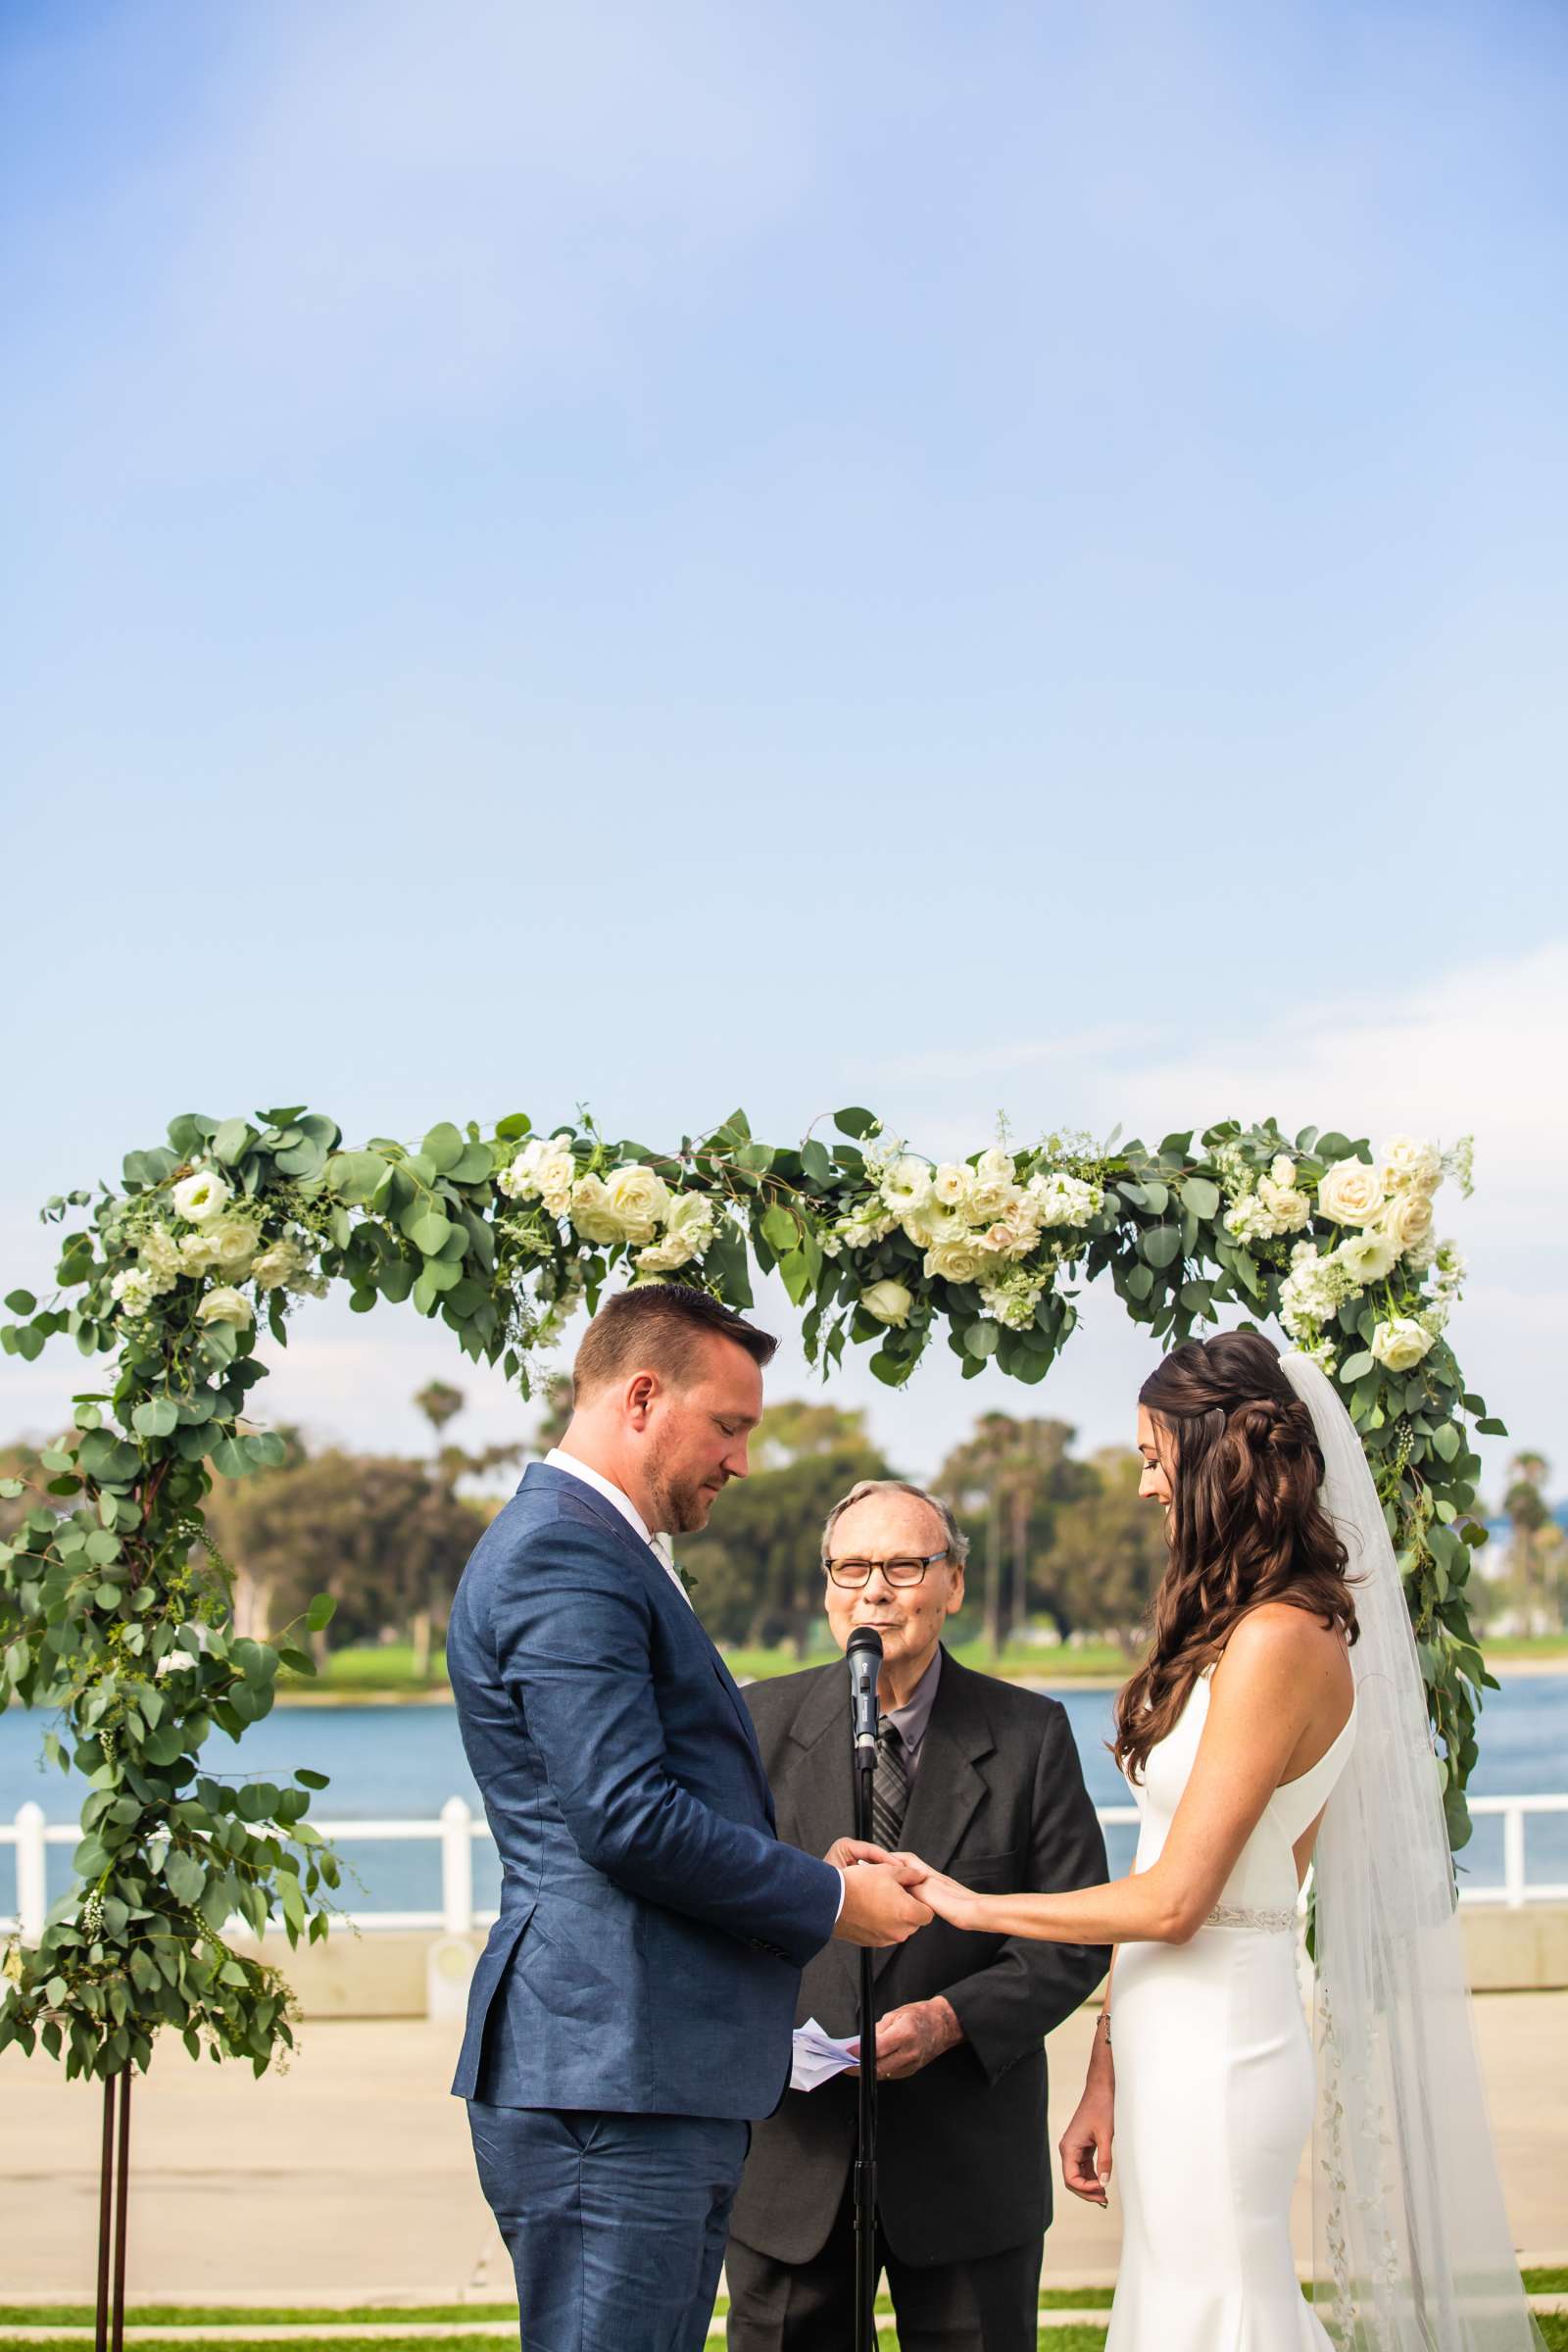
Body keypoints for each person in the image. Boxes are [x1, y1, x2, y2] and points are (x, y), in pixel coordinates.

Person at [906, 1330, 1543, 2351]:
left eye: (1156, 1461)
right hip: (1169, 2031)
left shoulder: (1283, 1641)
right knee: (1176, 2303)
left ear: (1217, 1461)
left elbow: (1175, 1899)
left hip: (1224, 2045)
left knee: (1225, 2309)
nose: (1148, 1488)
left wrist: (968, 1902)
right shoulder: (1233, 1630)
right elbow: (1215, 1872)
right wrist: (1108, 2068)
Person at [445, 1284, 931, 2352]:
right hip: (608, 2075)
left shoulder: (596, 1546)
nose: (741, 1461)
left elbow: (634, 1802)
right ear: (642, 1396)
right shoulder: (562, 1554)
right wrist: (828, 1900)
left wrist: (799, 1863)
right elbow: (622, 1818)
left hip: (643, 2067)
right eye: (729, 1426)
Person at [724, 1478, 1110, 2352]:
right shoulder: (754, 1724)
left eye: (904, 1565)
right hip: (791, 2164)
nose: (875, 1589)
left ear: (954, 1586)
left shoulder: (1030, 1734)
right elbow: (715, 1911)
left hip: (967, 2165)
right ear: (826, 1587)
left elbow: (1074, 1936)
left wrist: (950, 2020)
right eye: (852, 1566)